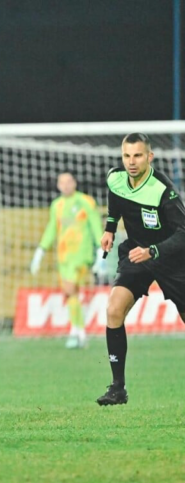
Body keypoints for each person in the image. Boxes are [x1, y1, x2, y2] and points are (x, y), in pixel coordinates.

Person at [97, 133, 185, 406]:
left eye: (137, 155)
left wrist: (154, 251)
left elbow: (183, 232)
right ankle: (117, 388)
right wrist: (110, 228)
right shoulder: (116, 178)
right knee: (114, 309)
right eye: (127, 156)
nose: (131, 162)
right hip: (137, 254)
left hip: (172, 259)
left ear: (149, 157)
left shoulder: (162, 189)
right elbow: (115, 201)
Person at [29, 172, 104, 349]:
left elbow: (95, 224)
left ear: (75, 183)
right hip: (63, 256)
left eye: (69, 181)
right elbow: (52, 228)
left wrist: (101, 250)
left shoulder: (85, 201)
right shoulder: (57, 205)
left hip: (81, 255)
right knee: (71, 294)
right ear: (58, 186)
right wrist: (40, 251)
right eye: (62, 182)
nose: (66, 185)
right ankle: (78, 332)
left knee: (70, 289)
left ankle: (77, 331)